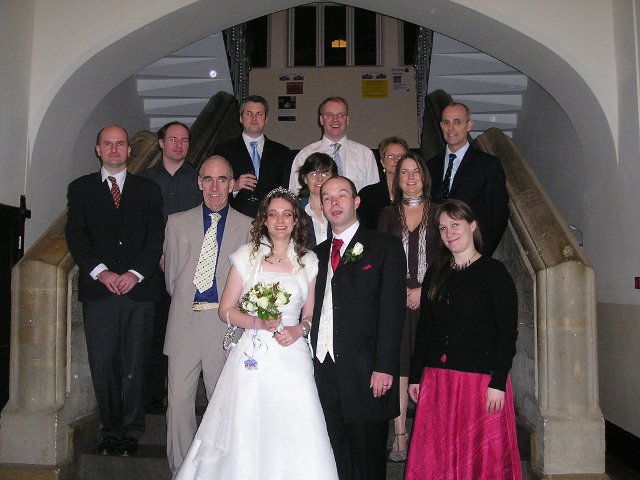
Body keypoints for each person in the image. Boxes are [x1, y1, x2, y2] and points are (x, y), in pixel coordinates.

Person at [175, 187, 338, 480]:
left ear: (295, 220)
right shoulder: (247, 257)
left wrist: (298, 329)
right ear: (264, 220)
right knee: (247, 423)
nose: (280, 221)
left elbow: (310, 314)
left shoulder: (309, 261)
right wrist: (257, 322)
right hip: (254, 352)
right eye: (273, 214)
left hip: (292, 354)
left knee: (295, 424)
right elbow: (225, 310)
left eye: (286, 214)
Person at [65, 125, 164, 456]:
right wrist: (101, 272)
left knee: (136, 362)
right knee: (104, 363)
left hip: (139, 291)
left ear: (129, 150)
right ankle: (110, 430)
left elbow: (156, 237)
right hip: (100, 292)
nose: (114, 149)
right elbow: (76, 236)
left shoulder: (148, 190)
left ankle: (132, 431)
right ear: (98, 149)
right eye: (107, 143)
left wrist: (135, 273)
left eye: (120, 143)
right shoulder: (81, 189)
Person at [406, 199, 521, 479]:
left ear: (473, 225)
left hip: (478, 382)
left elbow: (507, 332)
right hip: (438, 379)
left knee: (480, 461)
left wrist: (498, 382)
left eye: (455, 224)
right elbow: (426, 328)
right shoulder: (435, 273)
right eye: (443, 228)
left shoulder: (494, 272)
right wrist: (416, 376)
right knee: (437, 457)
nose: (449, 233)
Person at [311, 176, 406, 480]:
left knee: (368, 461)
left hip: (367, 372)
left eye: (342, 195)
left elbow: (392, 312)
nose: (334, 202)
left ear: (356, 201)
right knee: (336, 456)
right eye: (327, 198)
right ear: (321, 206)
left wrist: (384, 367)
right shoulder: (316, 255)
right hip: (324, 369)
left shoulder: (385, 246)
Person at [162, 155, 252, 474]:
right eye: (208, 180)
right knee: (178, 405)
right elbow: (172, 279)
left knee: (221, 403)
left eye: (222, 179)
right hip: (185, 323)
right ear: (199, 183)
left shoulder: (248, 226)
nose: (215, 187)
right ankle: (181, 470)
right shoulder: (177, 222)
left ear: (232, 184)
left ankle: (217, 470)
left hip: (223, 325)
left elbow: (248, 283)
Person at [377, 152, 438, 463]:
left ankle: (428, 435)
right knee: (400, 366)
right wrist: (398, 291)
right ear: (396, 179)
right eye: (404, 172)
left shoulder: (440, 212)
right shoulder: (388, 214)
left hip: (432, 298)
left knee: (428, 365)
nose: (411, 177)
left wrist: (423, 290)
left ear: (424, 176)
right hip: (396, 300)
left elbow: (447, 258)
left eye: (416, 171)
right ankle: (400, 434)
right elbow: (381, 258)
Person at [140, 120, 201, 412]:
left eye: (185, 140)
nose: (179, 145)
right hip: (153, 267)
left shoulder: (199, 179)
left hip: (190, 268)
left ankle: (181, 390)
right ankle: (154, 393)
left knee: (185, 330)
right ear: (161, 143)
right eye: (174, 139)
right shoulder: (145, 180)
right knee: (155, 330)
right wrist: (158, 254)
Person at [427, 102, 509, 256]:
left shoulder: (488, 165)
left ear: (469, 125)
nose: (451, 128)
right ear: (441, 126)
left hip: (474, 252)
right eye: (446, 122)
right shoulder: (430, 166)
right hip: (437, 254)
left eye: (457, 122)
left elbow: (499, 214)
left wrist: (482, 252)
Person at [214, 95, 292, 218]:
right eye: (249, 113)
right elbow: (215, 188)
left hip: (271, 219)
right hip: (235, 217)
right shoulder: (223, 151)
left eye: (259, 114)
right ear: (241, 118)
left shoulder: (282, 152)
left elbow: (287, 190)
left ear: (266, 119)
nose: (254, 118)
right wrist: (234, 187)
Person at [288, 96, 379, 194]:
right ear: (321, 120)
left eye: (340, 115)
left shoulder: (365, 154)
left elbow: (373, 195)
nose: (335, 120)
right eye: (329, 115)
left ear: (347, 120)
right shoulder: (305, 155)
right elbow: (295, 194)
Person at [358, 136, 409, 229]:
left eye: (400, 156)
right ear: (382, 162)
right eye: (390, 156)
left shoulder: (414, 191)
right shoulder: (367, 194)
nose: (396, 160)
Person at [296, 152, 337, 247]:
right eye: (314, 174)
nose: (319, 179)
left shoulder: (343, 208)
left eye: (325, 174)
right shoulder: (295, 210)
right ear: (305, 179)